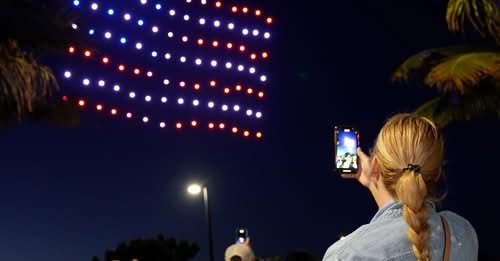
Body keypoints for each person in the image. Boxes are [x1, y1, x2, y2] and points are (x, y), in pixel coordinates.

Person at [323, 113, 478, 260]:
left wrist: (373, 180)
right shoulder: (462, 232)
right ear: (436, 173)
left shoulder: (345, 254)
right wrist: (373, 180)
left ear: (375, 165)